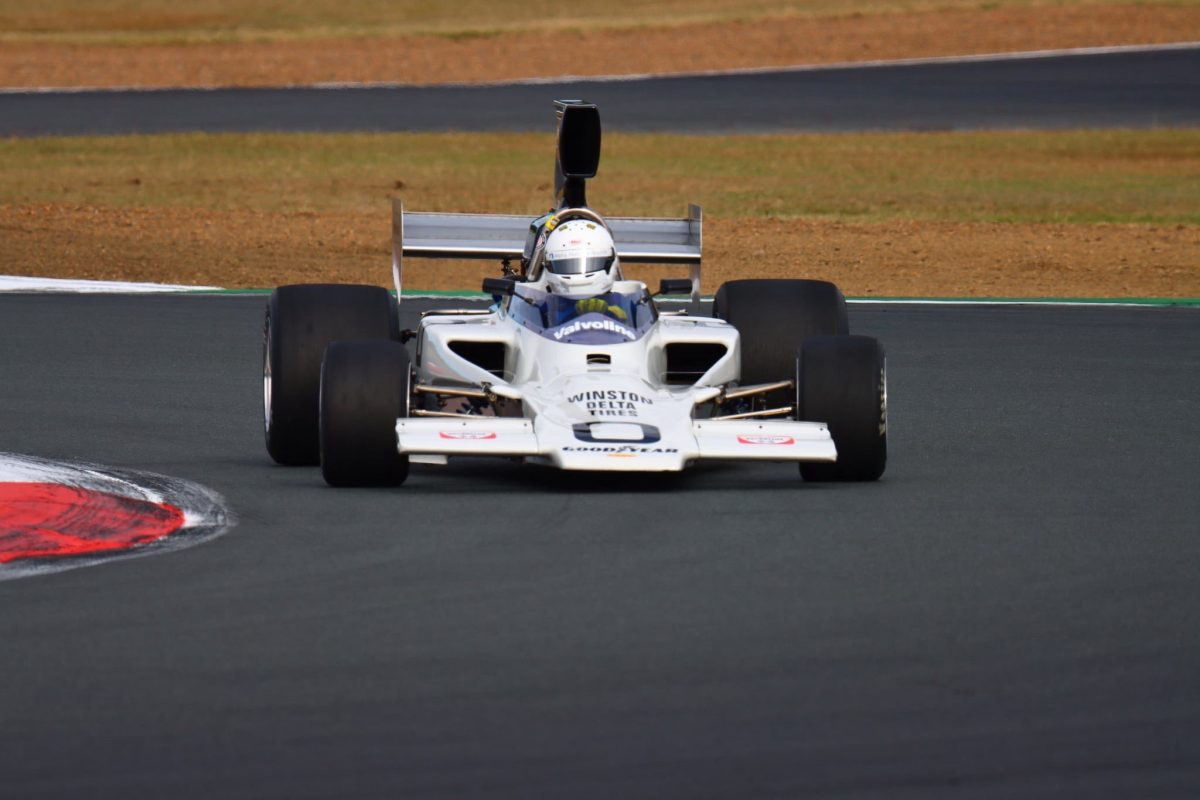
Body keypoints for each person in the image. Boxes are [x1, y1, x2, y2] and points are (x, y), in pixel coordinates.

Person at [541, 219, 627, 320]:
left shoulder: (624, 305)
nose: (578, 277)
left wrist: (614, 315)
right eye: (566, 265)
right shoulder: (544, 308)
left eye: (592, 262)